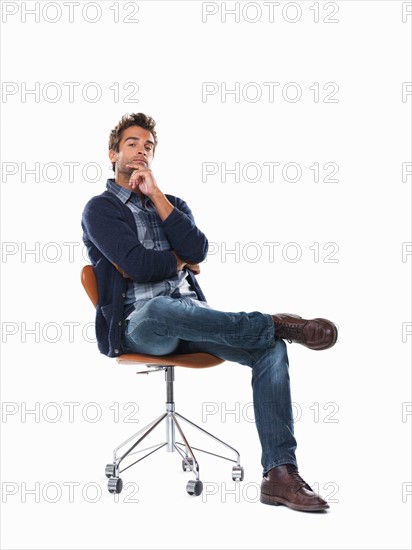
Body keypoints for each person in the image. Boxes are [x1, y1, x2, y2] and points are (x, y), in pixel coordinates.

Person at [81, 113, 338, 512]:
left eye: (148, 146)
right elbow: (136, 266)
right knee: (164, 307)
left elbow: (198, 251)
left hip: (191, 316)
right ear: (113, 153)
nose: (141, 151)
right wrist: (178, 261)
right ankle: (274, 322)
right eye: (132, 144)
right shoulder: (100, 208)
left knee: (270, 349)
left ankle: (279, 475)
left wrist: (157, 197)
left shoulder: (173, 204)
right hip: (138, 325)